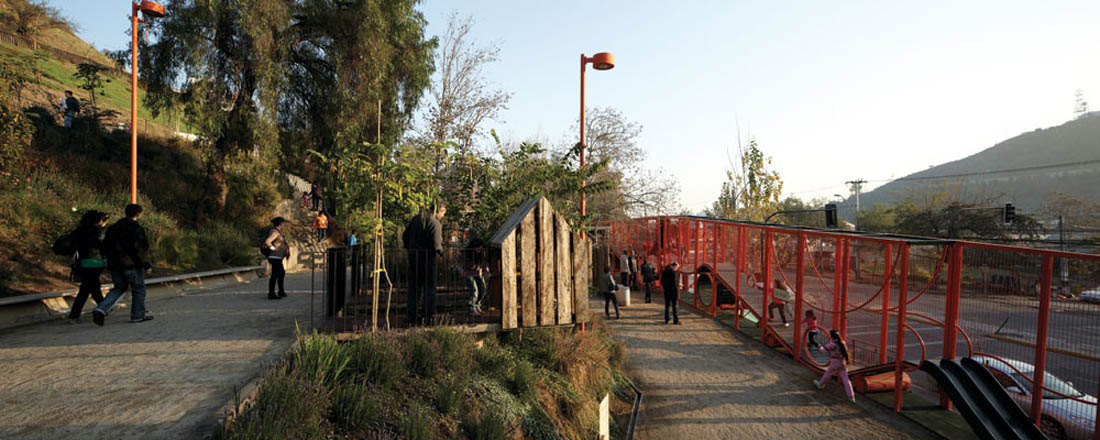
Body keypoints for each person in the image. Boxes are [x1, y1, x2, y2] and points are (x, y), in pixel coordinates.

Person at [92, 204, 153, 326]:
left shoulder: (113, 228)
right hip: (131, 264)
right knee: (138, 289)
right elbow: (140, 249)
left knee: (119, 288)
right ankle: (138, 315)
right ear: (138, 214)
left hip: (115, 264)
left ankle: (101, 309)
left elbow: (104, 246)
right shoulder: (137, 229)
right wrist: (146, 265)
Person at [402, 204, 445, 325]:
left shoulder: (416, 219)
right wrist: (440, 253)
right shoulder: (434, 222)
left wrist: (410, 248)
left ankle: (411, 316)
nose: (442, 216)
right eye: (443, 213)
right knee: (429, 287)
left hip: (413, 257)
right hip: (428, 258)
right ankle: (428, 316)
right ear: (439, 211)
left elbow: (405, 236)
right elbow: (436, 243)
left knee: (414, 288)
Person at [68, 210, 110, 323]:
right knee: (89, 289)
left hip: (83, 263)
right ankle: (102, 308)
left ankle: (103, 308)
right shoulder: (98, 232)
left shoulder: (79, 231)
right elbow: (103, 246)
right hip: (95, 262)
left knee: (89, 288)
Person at [814, 329, 856, 403]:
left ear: (833, 338)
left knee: (828, 373)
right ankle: (851, 396)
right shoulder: (843, 343)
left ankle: (821, 384)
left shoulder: (832, 345)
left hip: (834, 363)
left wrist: (819, 346)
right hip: (842, 363)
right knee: (846, 379)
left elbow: (823, 351)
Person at [264, 217, 290, 300]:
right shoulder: (274, 232)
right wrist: (273, 249)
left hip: (278, 257)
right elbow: (267, 241)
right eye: (283, 223)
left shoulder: (277, 232)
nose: (284, 224)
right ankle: (272, 293)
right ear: (280, 223)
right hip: (274, 257)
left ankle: (280, 291)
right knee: (275, 275)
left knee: (280, 273)